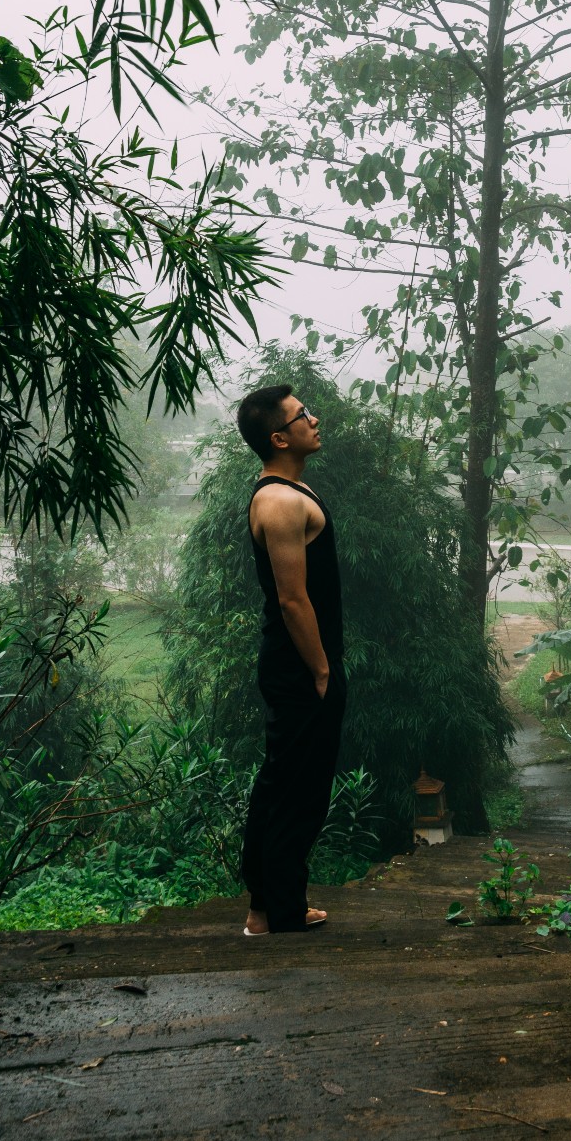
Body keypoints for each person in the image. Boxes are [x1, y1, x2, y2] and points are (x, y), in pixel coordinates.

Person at [236, 383, 347, 934]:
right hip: (301, 664)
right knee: (297, 787)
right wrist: (322, 669)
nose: (314, 419)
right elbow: (292, 598)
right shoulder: (279, 500)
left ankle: (268, 906)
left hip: (300, 663)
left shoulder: (285, 492)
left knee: (288, 781)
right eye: (304, 415)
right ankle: (276, 909)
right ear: (279, 436)